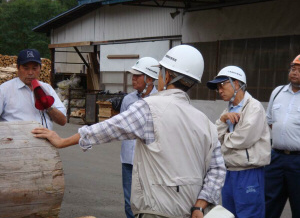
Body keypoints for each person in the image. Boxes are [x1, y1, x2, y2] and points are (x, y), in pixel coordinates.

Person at [32, 45, 226, 218]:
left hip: (158, 210)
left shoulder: (149, 108)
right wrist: (200, 205)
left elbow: (105, 130)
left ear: (167, 76)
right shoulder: (205, 122)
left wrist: (62, 141)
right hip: (193, 210)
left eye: (160, 72)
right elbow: (217, 169)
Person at [206, 66, 271, 218]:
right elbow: (214, 136)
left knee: (249, 214)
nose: (219, 90)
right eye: (217, 87)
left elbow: (242, 139)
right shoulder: (229, 109)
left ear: (236, 84)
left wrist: (224, 138)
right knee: (229, 214)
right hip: (229, 172)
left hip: (248, 172)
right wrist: (223, 121)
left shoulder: (254, 107)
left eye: (222, 85)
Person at [120, 57, 160, 218]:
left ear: (149, 79)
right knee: (130, 201)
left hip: (151, 160)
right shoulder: (128, 100)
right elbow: (120, 128)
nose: (133, 78)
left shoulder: (160, 100)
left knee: (152, 200)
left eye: (137, 75)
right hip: (129, 160)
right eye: (133, 75)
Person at [265, 54, 300, 218]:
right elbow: (271, 121)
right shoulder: (277, 92)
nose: (295, 72)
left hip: (298, 160)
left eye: (299, 70)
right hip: (276, 158)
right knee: (269, 204)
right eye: (293, 68)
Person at [0, 49, 67, 130]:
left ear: (40, 68)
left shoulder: (47, 88)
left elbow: (62, 121)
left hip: (45, 140)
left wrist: (48, 106)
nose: (30, 73)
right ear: (18, 67)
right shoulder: (4, 90)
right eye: (26, 68)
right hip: (15, 141)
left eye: (34, 68)